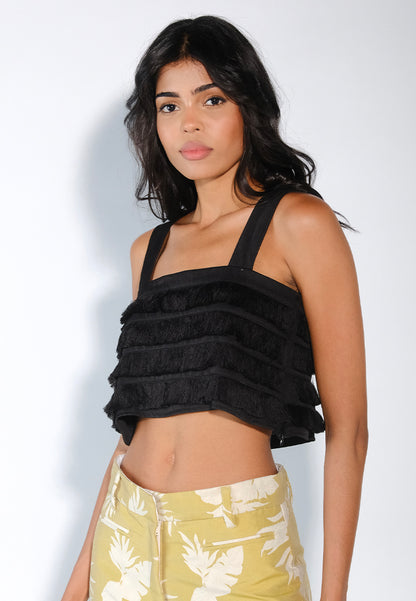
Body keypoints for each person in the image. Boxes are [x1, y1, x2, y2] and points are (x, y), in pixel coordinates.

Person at [61, 15, 368, 601]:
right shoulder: (149, 251)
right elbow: (134, 430)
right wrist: (77, 587)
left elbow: (349, 432)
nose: (189, 123)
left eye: (212, 98)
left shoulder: (298, 223)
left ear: (248, 106)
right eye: (169, 105)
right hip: (125, 538)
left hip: (237, 541)